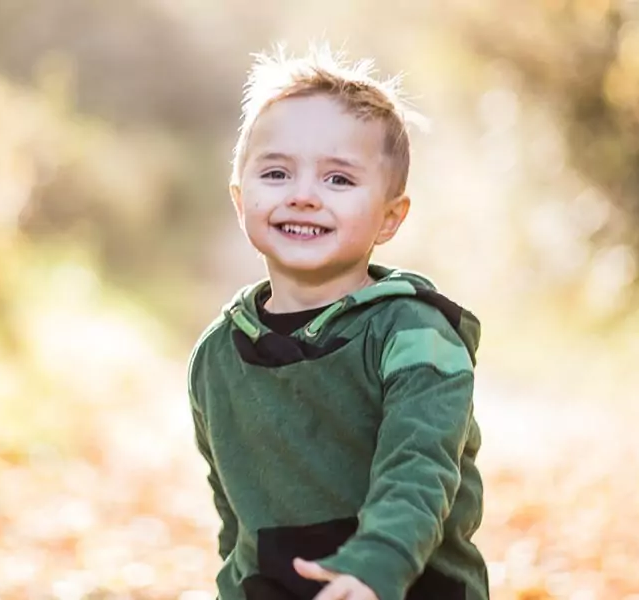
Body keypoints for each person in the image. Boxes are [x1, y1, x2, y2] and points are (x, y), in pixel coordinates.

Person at [187, 44, 488, 600]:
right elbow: (235, 521)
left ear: (390, 217)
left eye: (339, 181)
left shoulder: (416, 335)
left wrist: (373, 568)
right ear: (240, 198)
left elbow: (420, 469)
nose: (302, 196)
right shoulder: (217, 357)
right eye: (276, 173)